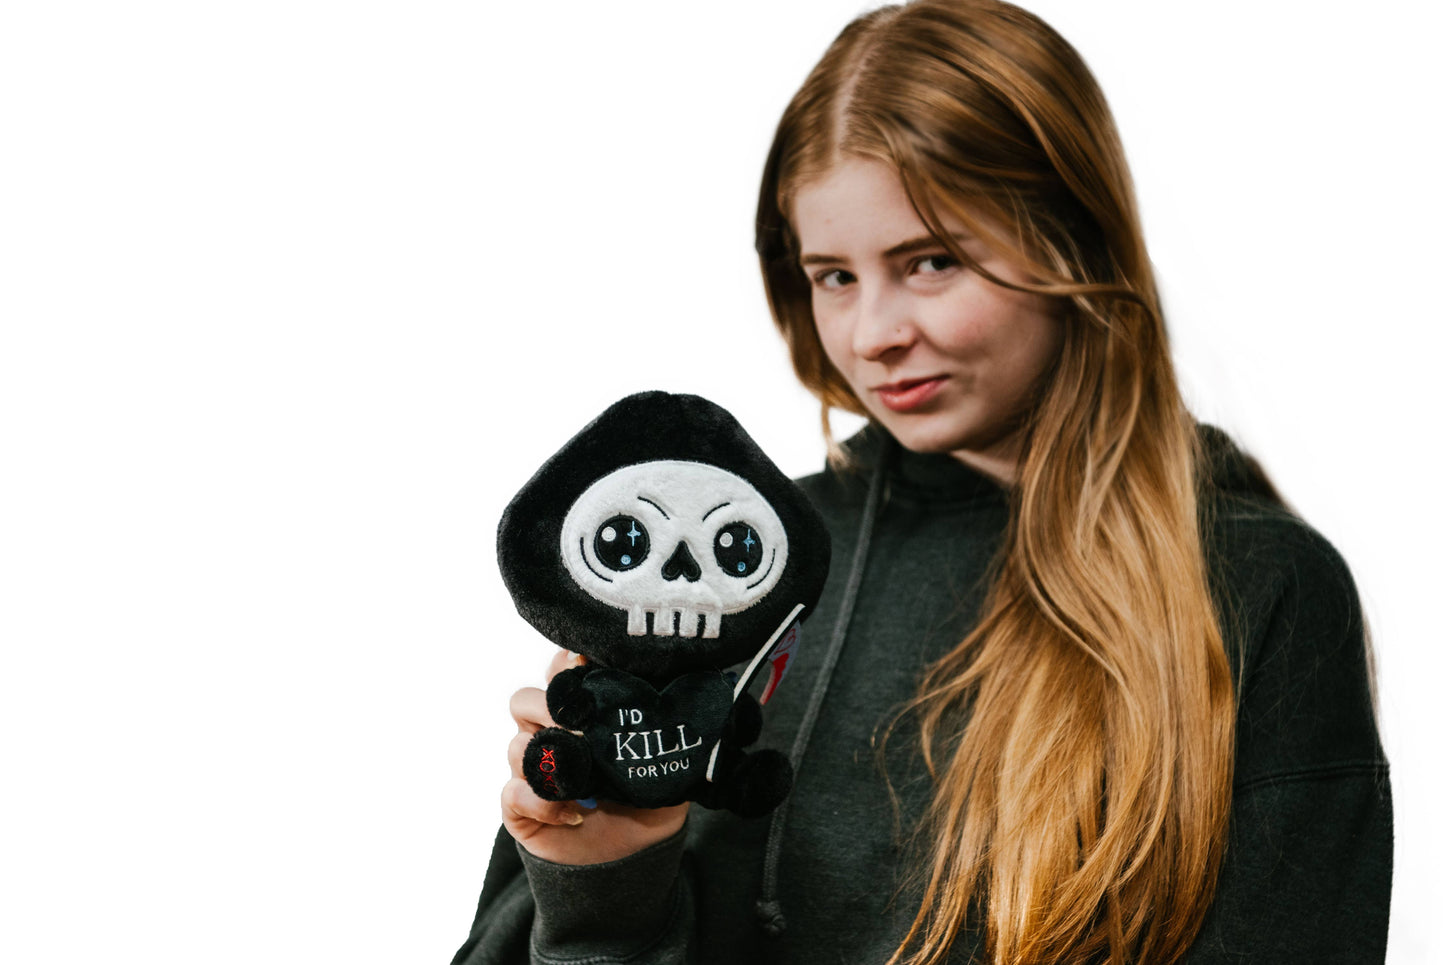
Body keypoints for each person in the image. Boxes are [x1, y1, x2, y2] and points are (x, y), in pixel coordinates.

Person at [452, 1, 1392, 962]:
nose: (873, 335)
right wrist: (604, 887)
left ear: (1073, 243)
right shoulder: (727, 569)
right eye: (834, 276)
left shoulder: (1256, 589)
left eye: (931, 262)